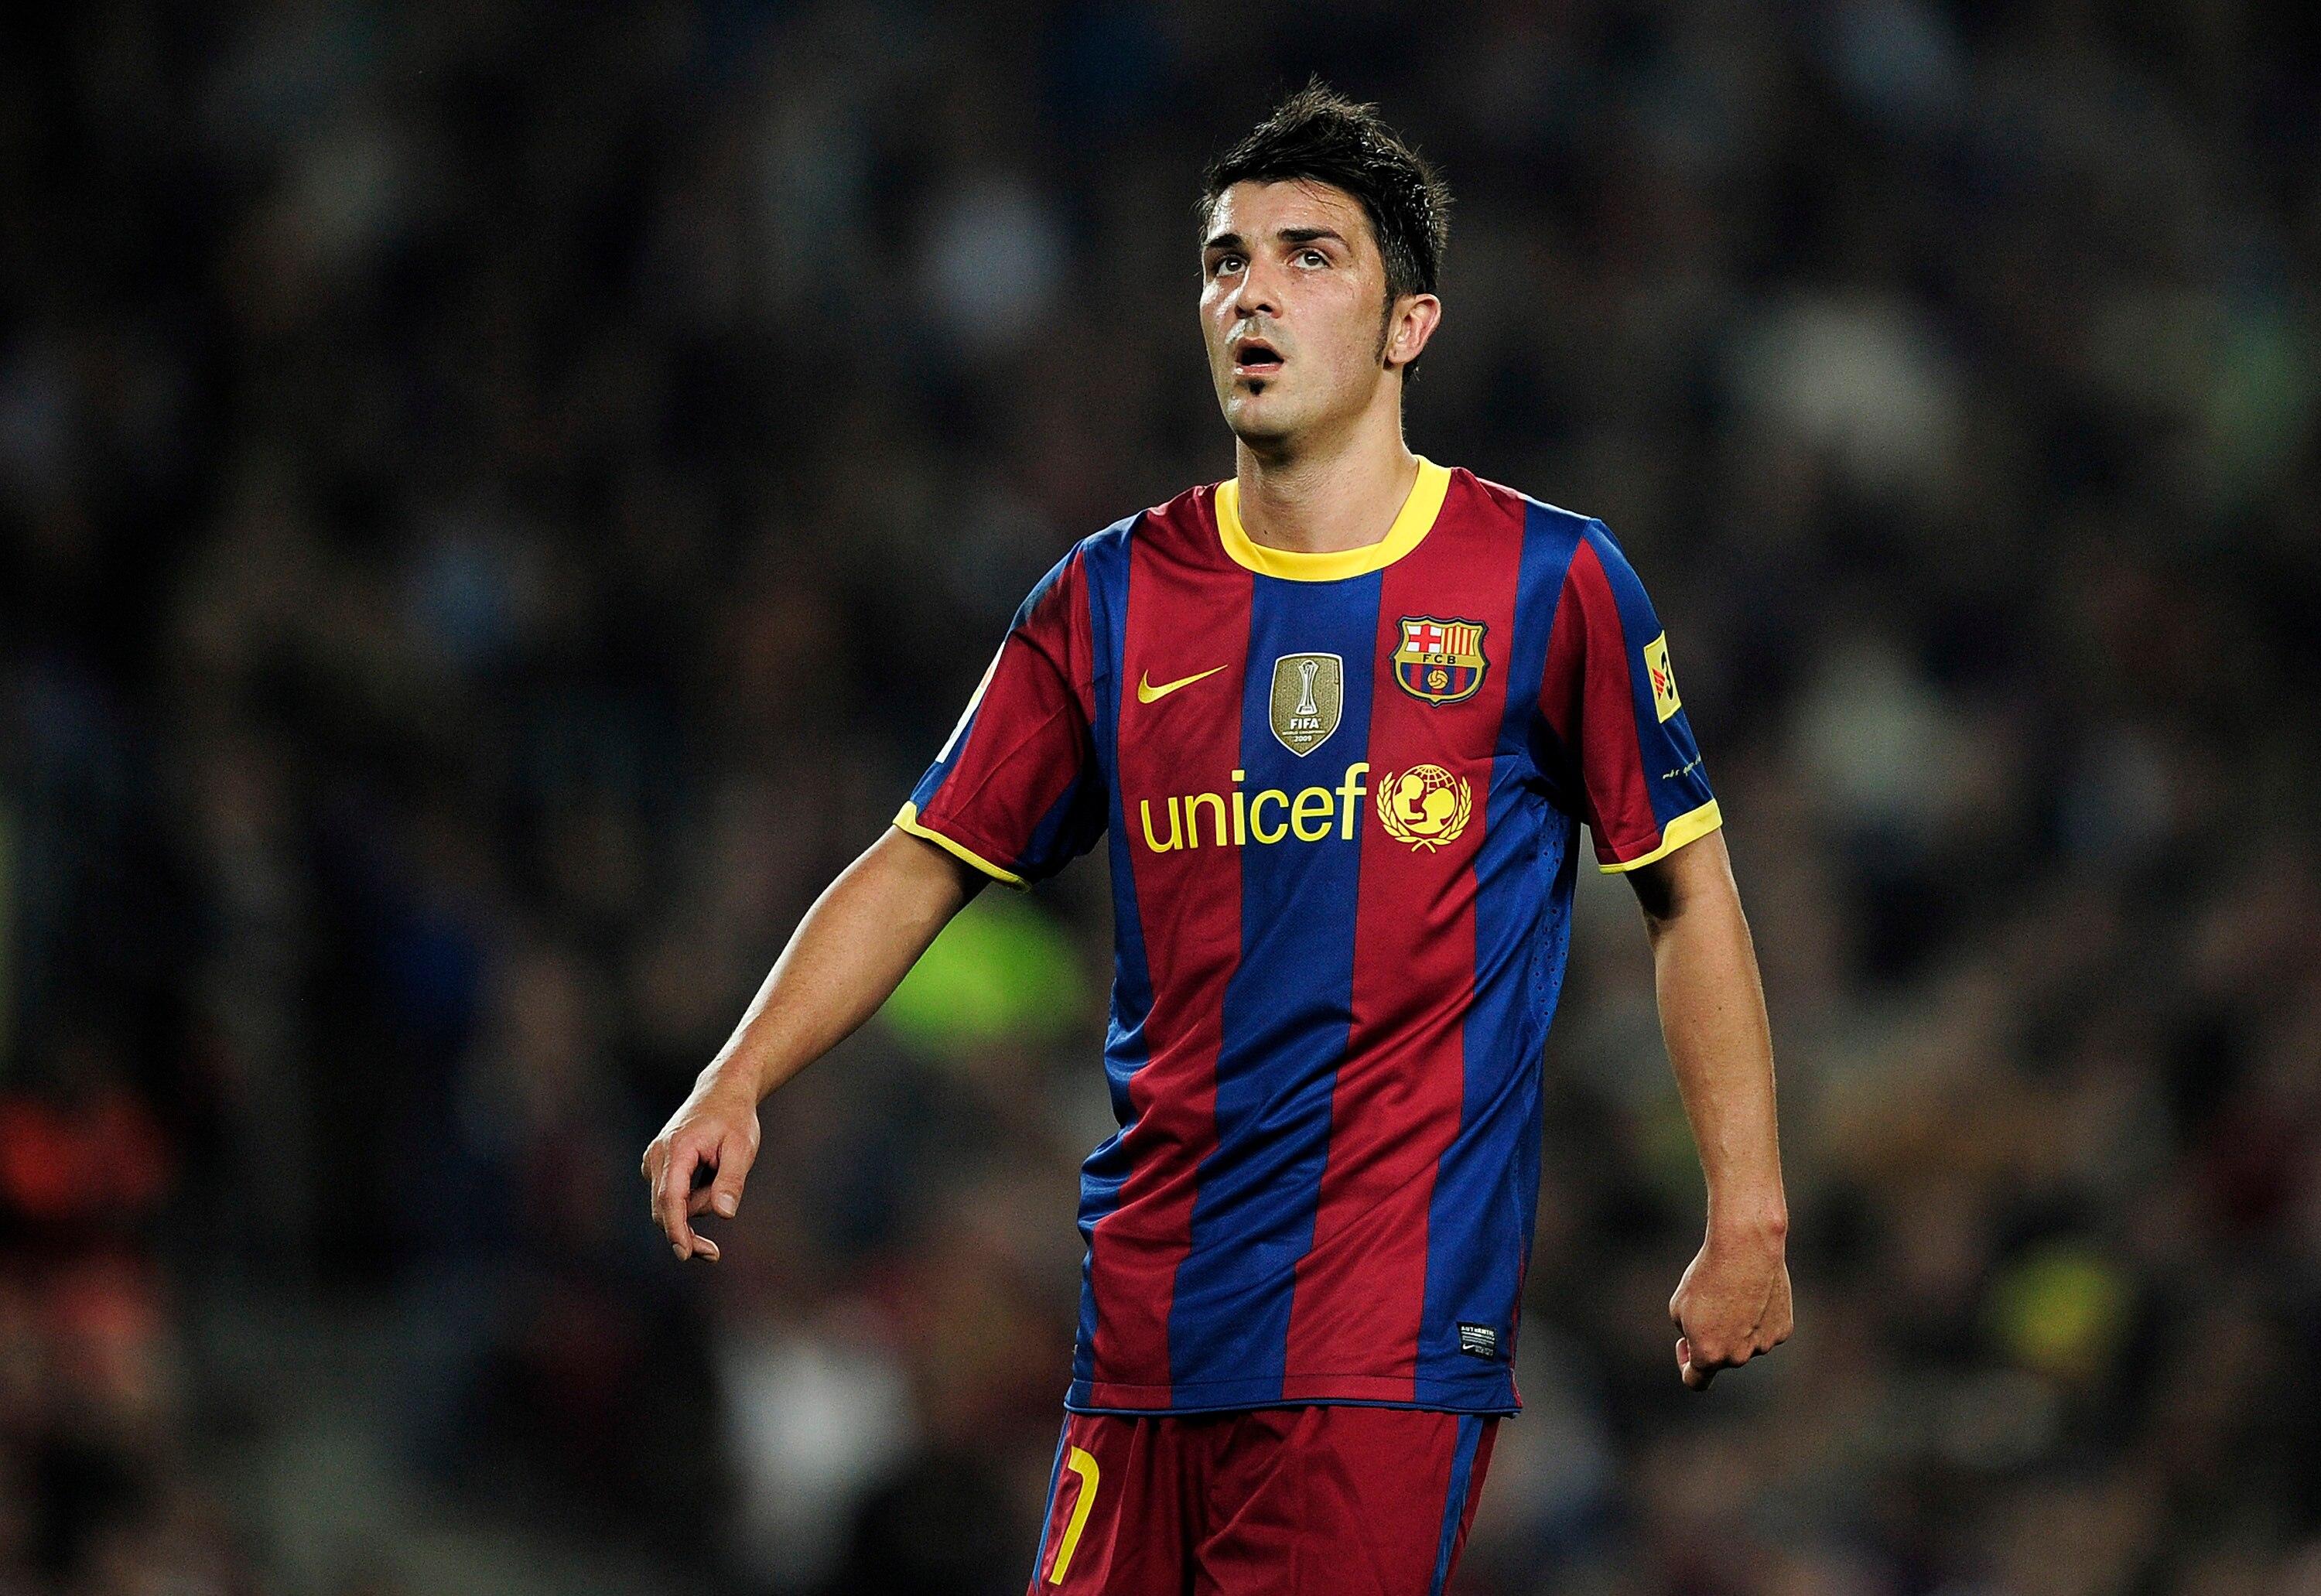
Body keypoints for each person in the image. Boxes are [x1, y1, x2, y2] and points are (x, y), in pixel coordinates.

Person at [643, 83, 1791, 1594]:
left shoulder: (1547, 583)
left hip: (1379, 1333)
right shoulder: (1110, 598)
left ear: (1410, 325)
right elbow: (928, 856)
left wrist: (1749, 1214)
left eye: (1309, 255)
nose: (1252, 290)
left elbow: (1687, 893)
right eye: (1224, 259)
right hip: (1142, 1327)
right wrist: (740, 1074)